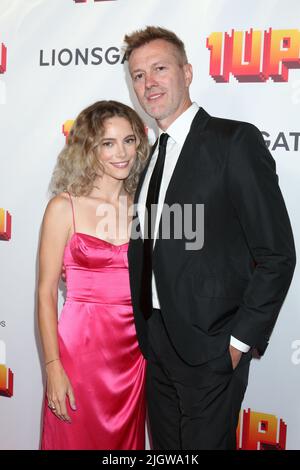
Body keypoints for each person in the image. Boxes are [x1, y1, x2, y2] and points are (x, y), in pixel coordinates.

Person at [123, 26, 296, 450]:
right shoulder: (148, 159)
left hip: (212, 348)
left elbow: (277, 254)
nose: (149, 83)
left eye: (159, 69)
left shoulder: (233, 141)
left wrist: (237, 344)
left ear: (187, 72)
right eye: (139, 76)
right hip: (156, 343)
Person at [38, 100, 149, 450]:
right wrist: (53, 367)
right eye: (108, 143)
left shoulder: (146, 207)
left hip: (134, 354)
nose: (122, 153)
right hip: (79, 352)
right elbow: (44, 294)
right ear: (89, 148)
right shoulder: (64, 207)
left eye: (129, 141)